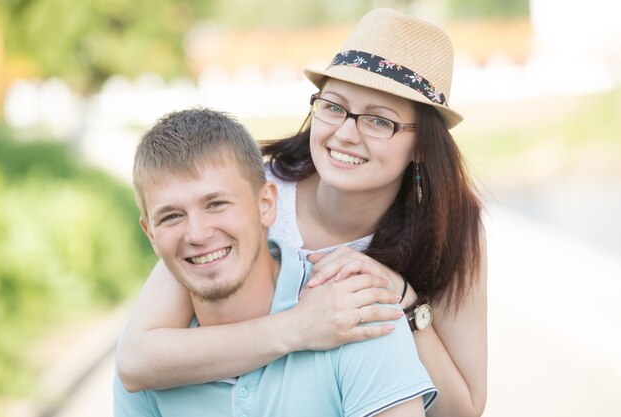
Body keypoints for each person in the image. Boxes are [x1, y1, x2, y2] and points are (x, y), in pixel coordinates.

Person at [117, 8, 487, 417]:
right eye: (333, 107)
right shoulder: (249, 196)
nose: (345, 133)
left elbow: (462, 411)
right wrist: (299, 328)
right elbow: (137, 359)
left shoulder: (450, 227)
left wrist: (402, 302)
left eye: (379, 122)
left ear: (421, 145)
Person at [114, 107, 437, 416]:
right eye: (171, 216)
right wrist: (297, 328)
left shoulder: (355, 311)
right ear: (151, 234)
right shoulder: (153, 366)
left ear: (267, 204)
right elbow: (131, 365)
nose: (197, 234)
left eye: (216, 204)